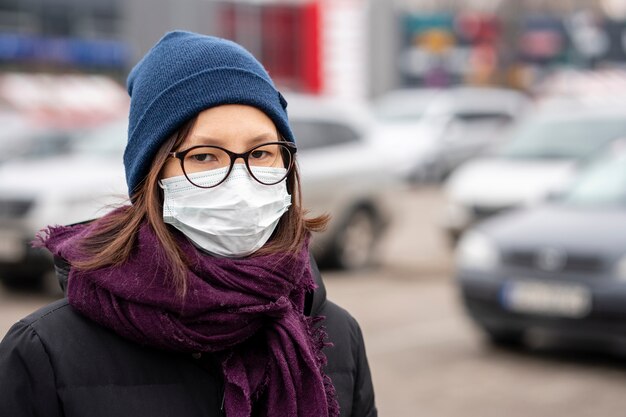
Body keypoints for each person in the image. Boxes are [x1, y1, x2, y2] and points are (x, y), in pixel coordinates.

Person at [0, 31, 377, 417]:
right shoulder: (45, 352)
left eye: (262, 152)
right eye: (204, 157)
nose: (240, 179)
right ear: (153, 175)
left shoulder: (335, 335)